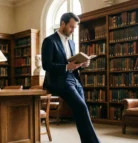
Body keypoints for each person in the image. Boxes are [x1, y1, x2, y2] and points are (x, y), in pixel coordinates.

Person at [41, 12, 100, 143]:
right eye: (71, 27)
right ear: (63, 23)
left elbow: (74, 64)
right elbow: (46, 65)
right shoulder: (49, 41)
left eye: (74, 28)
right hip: (59, 81)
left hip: (74, 79)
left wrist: (83, 64)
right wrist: (67, 67)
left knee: (81, 110)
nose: (73, 30)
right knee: (81, 108)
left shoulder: (72, 43)